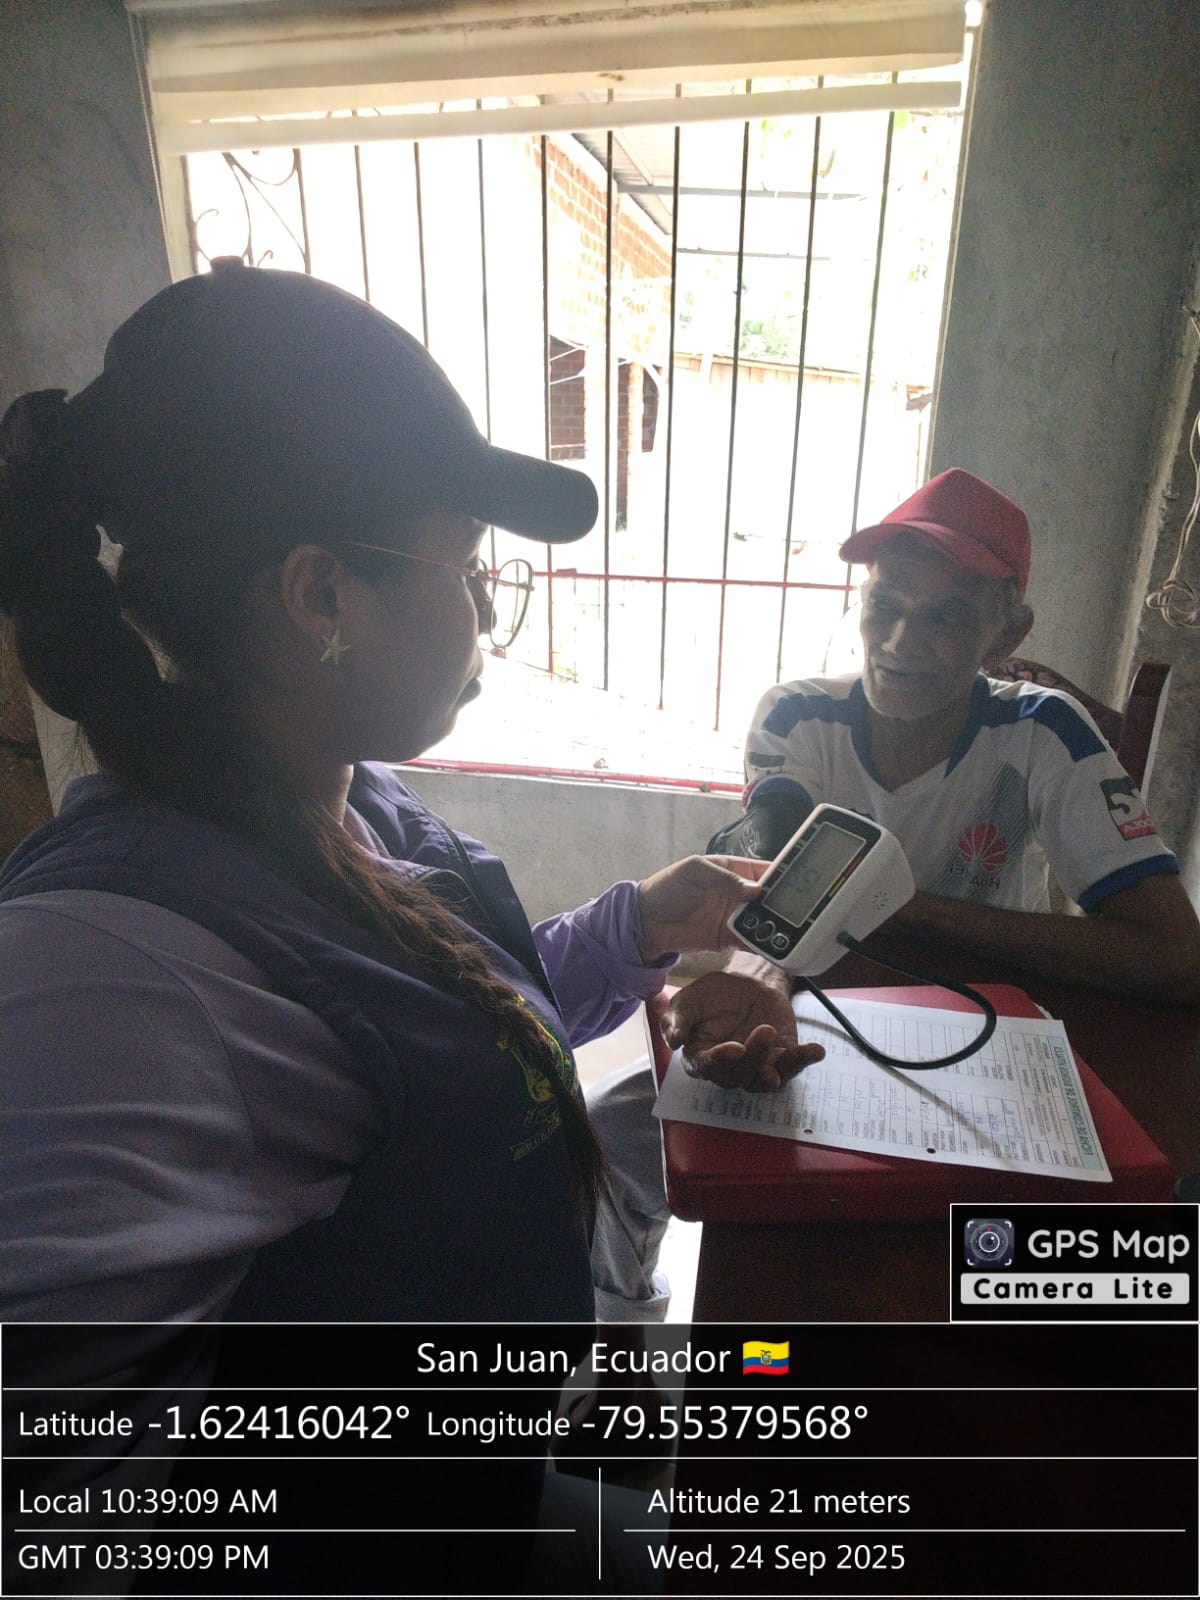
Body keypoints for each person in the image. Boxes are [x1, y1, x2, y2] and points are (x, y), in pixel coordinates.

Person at [0, 259, 771, 1590]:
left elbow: (445, 1033)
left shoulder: (345, 804)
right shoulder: (110, 971)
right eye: (466, 565)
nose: (486, 612)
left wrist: (635, 928)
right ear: (322, 598)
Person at [588, 467, 1200, 1323]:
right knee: (611, 1129)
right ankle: (622, 1334)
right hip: (821, 1014)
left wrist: (897, 906)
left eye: (945, 617)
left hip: (983, 1039)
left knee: (994, 1261)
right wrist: (762, 975)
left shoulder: (1043, 730)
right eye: (885, 605)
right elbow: (773, 858)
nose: (901, 641)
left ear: (1007, 630)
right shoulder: (799, 715)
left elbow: (1174, 957)